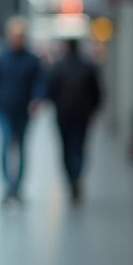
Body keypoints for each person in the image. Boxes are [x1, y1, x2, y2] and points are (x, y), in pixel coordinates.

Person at [0, 16, 47, 206]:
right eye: (14, 35)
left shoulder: (32, 60)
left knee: (21, 148)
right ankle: (7, 187)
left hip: (23, 111)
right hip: (3, 109)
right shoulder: (1, 58)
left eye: (20, 36)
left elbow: (40, 83)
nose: (16, 39)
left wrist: (37, 99)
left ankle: (17, 187)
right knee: (5, 146)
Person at [46, 37, 102, 203]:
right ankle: (77, 177)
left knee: (65, 147)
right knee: (79, 147)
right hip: (83, 115)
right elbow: (97, 93)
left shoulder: (57, 67)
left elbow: (50, 92)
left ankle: (70, 178)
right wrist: (92, 111)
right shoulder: (89, 66)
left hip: (63, 115)